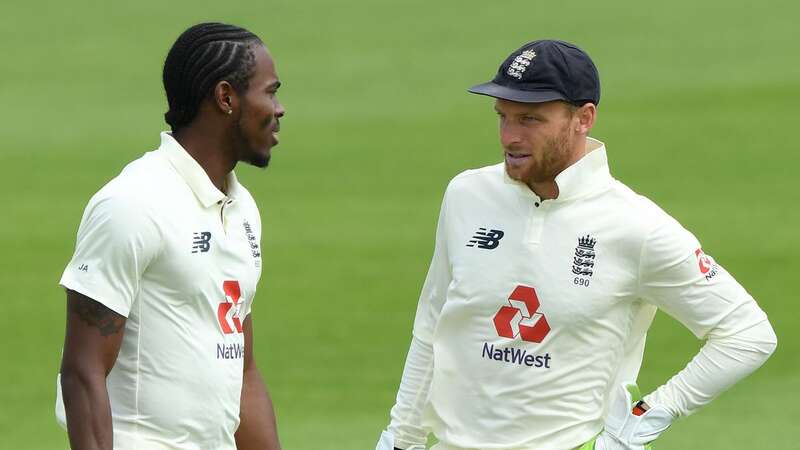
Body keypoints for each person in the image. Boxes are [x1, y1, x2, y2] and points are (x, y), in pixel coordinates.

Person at [376, 40, 777, 450]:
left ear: (583, 118)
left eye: (530, 119)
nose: (510, 137)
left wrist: (640, 423)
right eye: (503, 117)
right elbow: (433, 323)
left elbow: (747, 333)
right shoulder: (466, 194)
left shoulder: (636, 226)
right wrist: (400, 436)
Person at [56, 22, 284, 450]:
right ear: (226, 98)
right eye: (269, 92)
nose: (279, 108)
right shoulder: (134, 204)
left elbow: (243, 371)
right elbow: (83, 371)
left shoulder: (242, 209)